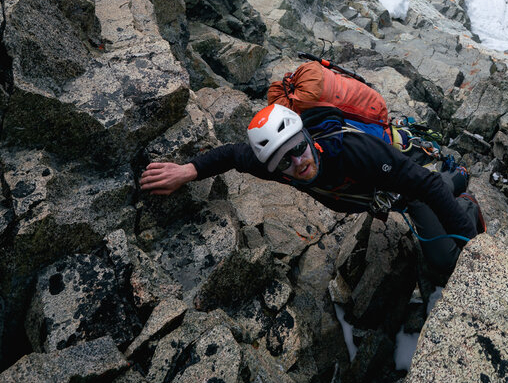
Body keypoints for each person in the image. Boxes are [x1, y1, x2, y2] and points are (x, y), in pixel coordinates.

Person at [140, 103, 484, 279]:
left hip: (406, 188)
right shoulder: (273, 162)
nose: (298, 163)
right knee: (435, 190)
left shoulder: (355, 152)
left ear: (308, 139)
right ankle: (456, 179)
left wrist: (473, 243)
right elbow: (232, 154)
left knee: (443, 261)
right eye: (284, 162)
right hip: (388, 194)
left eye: (299, 149)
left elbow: (420, 186)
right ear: (273, 167)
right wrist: (187, 171)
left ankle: (465, 199)